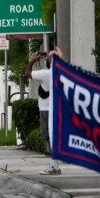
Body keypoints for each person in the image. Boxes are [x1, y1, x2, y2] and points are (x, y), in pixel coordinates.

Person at [27, 46, 64, 175]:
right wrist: (58, 56)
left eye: (48, 57)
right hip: (58, 109)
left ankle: (54, 166)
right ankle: (55, 163)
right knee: (54, 137)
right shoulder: (62, 74)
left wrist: (32, 60)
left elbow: (27, 73)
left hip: (46, 109)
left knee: (49, 137)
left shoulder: (46, 74)